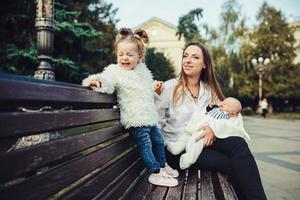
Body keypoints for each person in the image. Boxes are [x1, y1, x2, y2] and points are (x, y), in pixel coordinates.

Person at [156, 41, 267, 199]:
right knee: (227, 164)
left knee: (238, 144)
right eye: (185, 56)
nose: (188, 60)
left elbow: (227, 114)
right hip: (176, 150)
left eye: (195, 57)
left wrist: (213, 129)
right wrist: (159, 162)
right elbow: (156, 126)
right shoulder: (169, 88)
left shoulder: (209, 91)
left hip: (203, 142)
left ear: (204, 65)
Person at [82, 28, 179, 187]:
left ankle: (162, 165)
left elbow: (148, 92)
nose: (124, 58)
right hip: (135, 119)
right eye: (121, 54)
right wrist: (97, 81)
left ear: (139, 56)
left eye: (129, 55)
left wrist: (156, 90)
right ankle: (155, 172)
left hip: (149, 117)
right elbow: (107, 81)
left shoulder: (143, 72)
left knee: (159, 140)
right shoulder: (115, 72)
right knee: (146, 144)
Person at [167, 97, 251, 170]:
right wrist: (209, 107)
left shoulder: (227, 115)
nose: (222, 103)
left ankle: (189, 157)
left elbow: (230, 123)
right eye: (223, 102)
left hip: (203, 133)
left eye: (227, 104)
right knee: (185, 137)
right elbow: (206, 111)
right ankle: (176, 147)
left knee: (196, 142)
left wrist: (214, 128)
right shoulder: (216, 109)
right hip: (192, 129)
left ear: (233, 113)